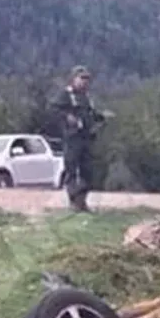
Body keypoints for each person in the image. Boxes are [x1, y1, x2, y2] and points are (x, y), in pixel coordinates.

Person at [51, 65, 105, 213]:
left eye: (87, 79)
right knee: (71, 170)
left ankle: (82, 200)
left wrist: (100, 118)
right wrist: (68, 118)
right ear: (73, 79)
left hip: (87, 138)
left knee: (88, 172)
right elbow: (55, 108)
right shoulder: (66, 95)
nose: (85, 82)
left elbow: (91, 114)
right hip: (72, 138)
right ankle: (74, 201)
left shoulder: (87, 97)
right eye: (82, 78)